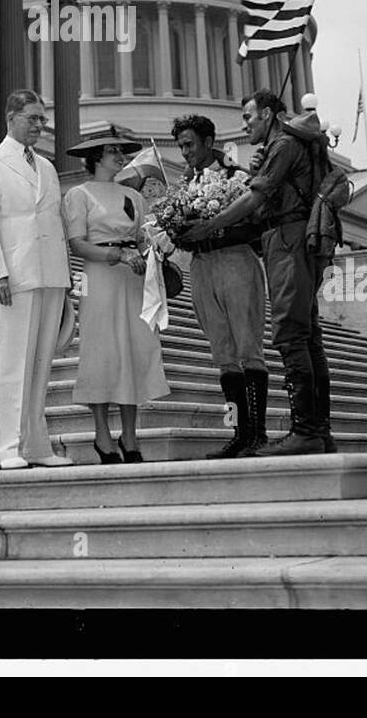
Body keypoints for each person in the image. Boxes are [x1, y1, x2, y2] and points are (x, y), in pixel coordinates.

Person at [181, 90, 335, 456]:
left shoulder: (283, 145)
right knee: (305, 335)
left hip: (286, 239)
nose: (245, 124)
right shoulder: (291, 145)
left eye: (249, 117)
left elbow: (254, 200)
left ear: (267, 114)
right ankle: (305, 430)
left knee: (290, 335)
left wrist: (209, 225)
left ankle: (303, 431)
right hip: (288, 239)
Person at [0, 90, 74, 470]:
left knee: (41, 365)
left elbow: (55, 225)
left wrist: (65, 282)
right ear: (11, 116)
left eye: (42, 119)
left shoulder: (47, 168)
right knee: (12, 364)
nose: (39, 125)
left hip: (50, 275)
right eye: (32, 118)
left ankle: (37, 445)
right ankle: (7, 449)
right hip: (13, 276)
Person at [63, 129, 170, 463]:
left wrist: (154, 248)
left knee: (134, 350)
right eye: (112, 150)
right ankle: (101, 434)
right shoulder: (78, 195)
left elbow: (139, 237)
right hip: (98, 277)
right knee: (102, 350)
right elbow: (77, 243)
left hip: (133, 277)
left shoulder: (133, 197)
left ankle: (130, 435)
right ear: (95, 157)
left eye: (120, 151)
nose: (119, 156)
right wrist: (117, 256)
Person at [172, 115, 269, 459]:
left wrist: (214, 228)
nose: (185, 152)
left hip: (235, 261)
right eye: (181, 146)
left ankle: (258, 433)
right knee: (223, 358)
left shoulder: (237, 176)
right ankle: (237, 432)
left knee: (248, 349)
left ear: (209, 140)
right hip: (201, 266)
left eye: (190, 144)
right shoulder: (185, 184)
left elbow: (260, 226)